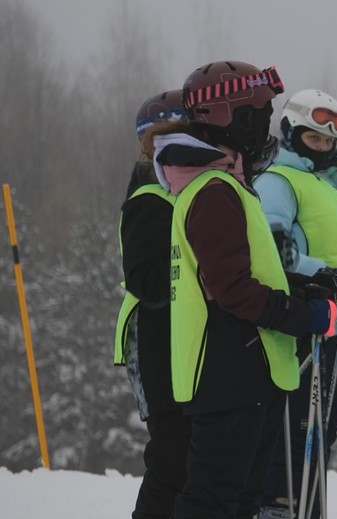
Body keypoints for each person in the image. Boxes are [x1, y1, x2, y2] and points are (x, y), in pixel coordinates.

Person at [142, 60, 337, 519]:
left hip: (250, 369)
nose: (264, 126)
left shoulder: (227, 185)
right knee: (214, 498)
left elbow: (245, 273)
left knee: (240, 499)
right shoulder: (213, 190)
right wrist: (306, 316)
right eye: (258, 115)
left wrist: (303, 288)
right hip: (228, 371)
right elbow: (232, 289)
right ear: (228, 117)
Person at [254, 89, 337, 518]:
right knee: (299, 426)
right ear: (290, 135)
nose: (324, 147)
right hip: (308, 315)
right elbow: (273, 243)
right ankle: (278, 504)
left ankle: (306, 506)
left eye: (330, 142)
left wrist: (335, 164)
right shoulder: (279, 181)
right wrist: (321, 272)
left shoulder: (321, 185)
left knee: (324, 427)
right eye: (314, 139)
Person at [114, 89, 190, 519]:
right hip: (154, 334)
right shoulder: (149, 194)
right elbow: (147, 280)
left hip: (180, 334)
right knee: (171, 452)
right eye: (159, 138)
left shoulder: (180, 188)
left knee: (189, 451)